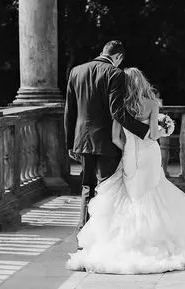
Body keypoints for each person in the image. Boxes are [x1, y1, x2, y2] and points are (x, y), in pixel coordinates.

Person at [66, 67, 185, 274]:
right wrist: (167, 128)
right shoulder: (151, 104)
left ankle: (126, 242)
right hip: (150, 153)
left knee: (131, 194)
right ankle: (157, 239)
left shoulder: (120, 106)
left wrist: (128, 149)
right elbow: (152, 136)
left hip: (130, 154)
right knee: (153, 190)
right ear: (142, 82)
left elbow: (115, 137)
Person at [64, 40, 150, 248]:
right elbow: (117, 112)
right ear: (118, 57)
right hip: (106, 143)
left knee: (87, 187)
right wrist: (144, 132)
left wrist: (70, 144)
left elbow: (70, 111)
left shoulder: (76, 71)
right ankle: (105, 240)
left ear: (103, 51)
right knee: (107, 189)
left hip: (82, 141)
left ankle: (83, 237)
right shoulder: (115, 74)